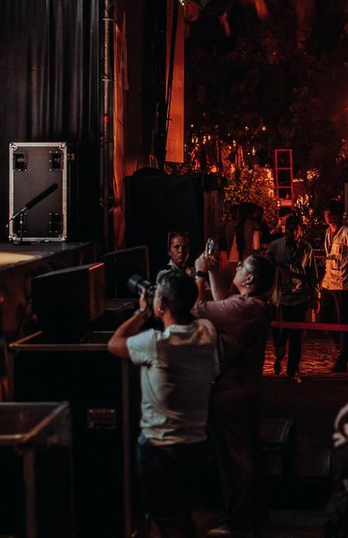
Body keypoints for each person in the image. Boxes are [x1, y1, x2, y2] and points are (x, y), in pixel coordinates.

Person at [106, 270, 216, 538]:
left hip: (159, 448)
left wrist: (142, 313)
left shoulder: (156, 344)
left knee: (165, 522)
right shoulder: (207, 331)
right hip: (195, 445)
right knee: (183, 513)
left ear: (162, 303)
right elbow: (189, 318)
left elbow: (114, 344)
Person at [193, 252, 276, 538]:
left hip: (231, 393)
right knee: (247, 452)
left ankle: (239, 520)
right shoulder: (250, 305)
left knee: (234, 459)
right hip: (245, 389)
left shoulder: (245, 309)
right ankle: (256, 513)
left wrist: (200, 274)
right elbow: (223, 303)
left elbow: (198, 310)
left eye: (242, 266)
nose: (237, 267)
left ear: (250, 279)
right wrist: (214, 272)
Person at [267, 213, 318, 381]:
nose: (293, 232)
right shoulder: (275, 246)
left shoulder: (306, 248)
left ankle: (292, 369)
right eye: (290, 229)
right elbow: (267, 268)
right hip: (280, 297)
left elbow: (312, 273)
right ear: (285, 229)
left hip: (300, 296)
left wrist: (315, 296)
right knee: (280, 333)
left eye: (296, 229)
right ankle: (279, 354)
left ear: (300, 231)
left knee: (297, 337)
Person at [319, 202, 348, 372]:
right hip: (328, 281)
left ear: (339, 215)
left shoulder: (347, 235)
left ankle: (343, 357)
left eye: (332, 213)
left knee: (344, 321)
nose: (328, 217)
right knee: (323, 318)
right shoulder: (327, 233)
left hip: (344, 283)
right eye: (326, 213)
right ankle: (344, 350)